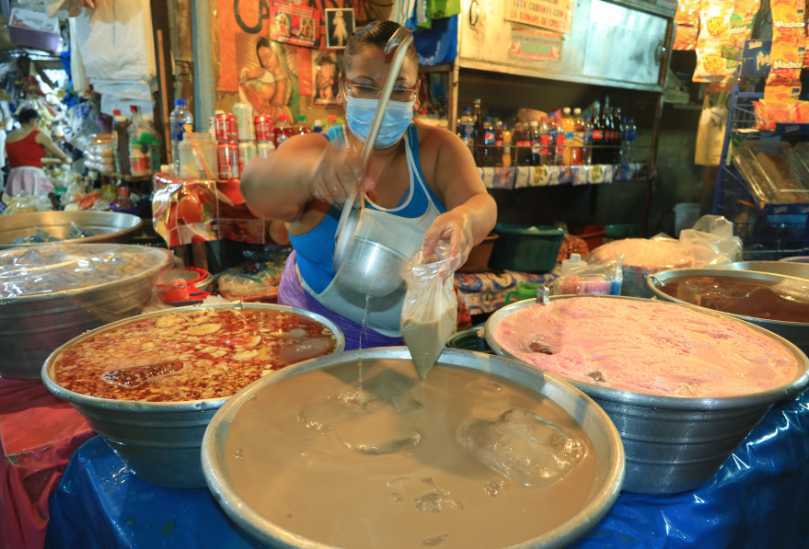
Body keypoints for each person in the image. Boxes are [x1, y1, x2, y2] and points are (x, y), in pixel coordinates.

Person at [242, 21, 497, 350]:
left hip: (408, 342)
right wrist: (312, 173)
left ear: (416, 93)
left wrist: (465, 219)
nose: (382, 101)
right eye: (365, 86)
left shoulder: (438, 150)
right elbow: (256, 187)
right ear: (342, 88)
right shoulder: (315, 150)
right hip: (311, 335)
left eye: (398, 89)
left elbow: (482, 203)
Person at [4, 108, 69, 197]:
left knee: (16, 204)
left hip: (14, 177)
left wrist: (55, 161)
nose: (38, 124)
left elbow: (27, 161)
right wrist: (66, 160)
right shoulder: (38, 134)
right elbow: (62, 155)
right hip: (32, 177)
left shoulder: (9, 137)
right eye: (38, 121)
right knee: (35, 203)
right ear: (32, 120)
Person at [239, 38, 294, 121]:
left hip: (277, 118)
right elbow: (246, 76)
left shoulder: (284, 78)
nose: (265, 63)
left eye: (268, 56)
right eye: (262, 59)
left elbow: (278, 103)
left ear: (277, 54)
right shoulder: (262, 74)